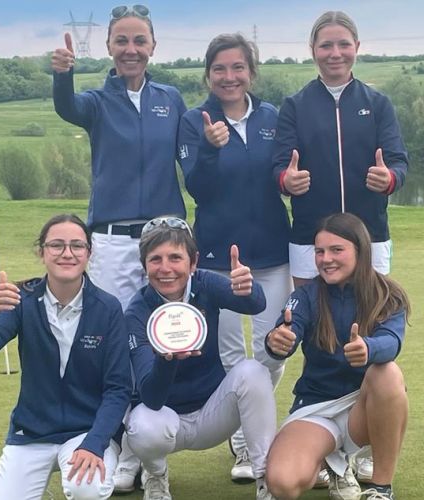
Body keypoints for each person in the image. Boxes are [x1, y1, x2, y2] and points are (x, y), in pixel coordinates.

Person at [52, 5, 187, 491]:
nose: (131, 50)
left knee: (161, 337)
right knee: (119, 344)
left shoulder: (170, 98)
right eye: (122, 41)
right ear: (109, 47)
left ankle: (148, 452)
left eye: (140, 41)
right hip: (110, 240)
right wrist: (61, 76)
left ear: (153, 46)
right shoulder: (95, 100)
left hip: (163, 239)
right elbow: (66, 109)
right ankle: (126, 447)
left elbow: (190, 150)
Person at [177, 33, 292, 482]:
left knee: (275, 349)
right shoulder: (194, 120)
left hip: (271, 250)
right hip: (213, 257)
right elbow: (197, 188)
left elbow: (282, 174)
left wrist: (291, 180)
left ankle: (249, 427)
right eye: (220, 69)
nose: (229, 76)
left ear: (251, 71)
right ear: (208, 74)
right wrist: (209, 147)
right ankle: (247, 445)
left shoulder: (272, 118)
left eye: (238, 68)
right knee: (228, 356)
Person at [0, 214, 132, 500]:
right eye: (56, 245)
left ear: (89, 253)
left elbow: (118, 389)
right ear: (42, 252)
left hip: (87, 432)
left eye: (77, 246)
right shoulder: (21, 299)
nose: (67, 253)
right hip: (32, 433)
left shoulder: (108, 308)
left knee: (86, 490)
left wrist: (94, 443)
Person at [123, 216, 277, 500]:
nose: (165, 268)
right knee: (142, 423)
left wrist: (248, 287)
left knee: (254, 371)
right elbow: (151, 397)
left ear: (193, 262)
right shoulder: (136, 311)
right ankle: (155, 475)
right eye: (155, 259)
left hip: (213, 412)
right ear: (144, 265)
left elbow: (256, 304)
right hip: (165, 421)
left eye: (175, 258)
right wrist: (166, 361)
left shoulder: (204, 284)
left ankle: (266, 478)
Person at [264, 213, 410, 500]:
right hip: (317, 406)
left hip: (365, 407)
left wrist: (369, 348)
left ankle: (381, 489)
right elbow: (288, 326)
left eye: (336, 250)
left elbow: (392, 342)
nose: (325, 259)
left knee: (388, 373)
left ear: (361, 250)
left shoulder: (388, 294)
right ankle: (335, 465)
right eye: (320, 251)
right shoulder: (306, 295)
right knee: (283, 483)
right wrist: (278, 340)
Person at [272, 10, 409, 287]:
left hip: (370, 234)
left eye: (344, 44)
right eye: (326, 45)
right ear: (313, 50)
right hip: (310, 238)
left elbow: (398, 163)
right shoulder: (295, 106)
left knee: (368, 326)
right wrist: (287, 180)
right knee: (312, 325)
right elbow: (279, 167)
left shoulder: (378, 103)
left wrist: (389, 178)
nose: (335, 53)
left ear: (356, 47)